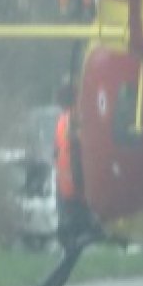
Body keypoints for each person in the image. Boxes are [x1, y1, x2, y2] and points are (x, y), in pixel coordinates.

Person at [53, 84, 89, 250]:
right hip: (78, 185)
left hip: (65, 183)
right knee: (79, 223)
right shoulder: (77, 119)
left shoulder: (62, 121)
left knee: (69, 222)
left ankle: (70, 239)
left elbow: (57, 150)